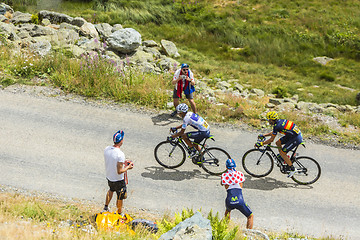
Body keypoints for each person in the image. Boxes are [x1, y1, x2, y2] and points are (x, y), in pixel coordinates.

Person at [255, 111, 303, 178]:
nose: (268, 121)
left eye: (269, 120)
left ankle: (292, 169)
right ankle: (282, 157)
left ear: (272, 120)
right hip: (292, 135)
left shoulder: (277, 126)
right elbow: (274, 132)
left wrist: (261, 143)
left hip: (296, 138)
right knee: (278, 143)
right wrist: (264, 135)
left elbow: (271, 139)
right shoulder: (279, 122)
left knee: (283, 153)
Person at [103, 130, 134, 214]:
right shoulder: (120, 154)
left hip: (110, 176)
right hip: (118, 179)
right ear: (121, 141)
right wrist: (128, 167)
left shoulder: (107, 149)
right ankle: (119, 213)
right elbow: (120, 171)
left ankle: (105, 207)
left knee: (111, 190)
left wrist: (123, 161)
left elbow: (112, 160)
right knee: (120, 196)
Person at [221, 159, 253, 229]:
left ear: (226, 167)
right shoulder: (240, 174)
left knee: (227, 212)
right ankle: (249, 234)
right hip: (240, 201)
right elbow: (241, 183)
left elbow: (223, 184)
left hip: (229, 200)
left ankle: (226, 230)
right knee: (250, 216)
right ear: (235, 166)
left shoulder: (224, 176)